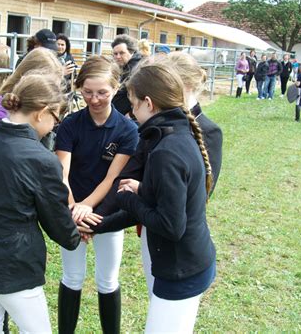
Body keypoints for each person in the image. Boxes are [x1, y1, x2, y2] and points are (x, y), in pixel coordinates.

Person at [82, 60, 216, 333]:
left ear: (149, 103)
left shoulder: (166, 150)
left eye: (132, 105)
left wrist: (129, 198)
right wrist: (138, 193)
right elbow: (168, 196)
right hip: (189, 262)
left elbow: (171, 225)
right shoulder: (173, 135)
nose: (130, 113)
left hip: (181, 268)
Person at [0, 72, 80, 333]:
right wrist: (74, 236)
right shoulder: (43, 160)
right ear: (41, 112)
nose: (54, 126)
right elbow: (55, 218)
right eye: (55, 118)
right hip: (16, 263)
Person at [55, 55, 139, 334]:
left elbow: (113, 177)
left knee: (107, 279)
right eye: (87, 92)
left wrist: (87, 209)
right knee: (72, 276)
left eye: (102, 92)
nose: (94, 99)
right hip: (73, 211)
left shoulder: (128, 130)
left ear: (117, 89)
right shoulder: (70, 124)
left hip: (107, 212)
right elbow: (62, 171)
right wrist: (73, 208)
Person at [111, 34, 143, 116]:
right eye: (115, 54)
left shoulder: (137, 69)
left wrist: (131, 114)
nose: (118, 57)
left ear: (131, 52)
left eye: (122, 53)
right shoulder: (124, 67)